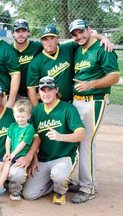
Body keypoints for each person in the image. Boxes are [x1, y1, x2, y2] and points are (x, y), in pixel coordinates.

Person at [68, 19, 120, 204]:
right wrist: (99, 35)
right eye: (74, 34)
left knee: (86, 143)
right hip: (77, 101)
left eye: (81, 32)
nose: (78, 36)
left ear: (89, 30)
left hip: (94, 101)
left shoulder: (102, 48)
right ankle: (76, 180)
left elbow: (114, 76)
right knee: (74, 142)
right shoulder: (78, 49)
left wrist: (92, 84)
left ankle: (88, 188)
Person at [22, 76, 86, 205]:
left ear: (56, 90)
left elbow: (81, 134)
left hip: (64, 156)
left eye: (49, 89)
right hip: (43, 159)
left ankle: (60, 190)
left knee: (59, 175)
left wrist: (61, 137)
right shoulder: (37, 111)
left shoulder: (67, 108)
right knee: (29, 195)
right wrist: (34, 158)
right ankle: (53, 181)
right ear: (39, 93)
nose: (46, 93)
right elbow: (34, 138)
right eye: (43, 90)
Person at [0, 99, 35, 201]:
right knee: (0, 165)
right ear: (14, 115)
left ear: (29, 116)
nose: (20, 119)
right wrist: (8, 152)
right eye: (17, 116)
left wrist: (12, 154)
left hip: (19, 154)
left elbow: (22, 144)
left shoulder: (29, 129)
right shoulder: (13, 126)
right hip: (11, 153)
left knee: (7, 163)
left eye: (23, 117)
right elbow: (8, 140)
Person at [11, 19, 43, 99]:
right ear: (13, 34)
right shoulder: (8, 49)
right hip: (14, 94)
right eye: (17, 31)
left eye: (24, 31)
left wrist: (78, 39)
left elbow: (57, 45)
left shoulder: (37, 47)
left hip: (34, 92)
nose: (20, 34)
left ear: (28, 33)